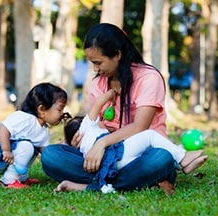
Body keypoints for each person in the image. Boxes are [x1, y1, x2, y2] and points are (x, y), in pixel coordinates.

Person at [41, 23, 204, 193]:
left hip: (140, 156)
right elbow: (96, 124)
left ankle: (93, 185)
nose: (95, 69)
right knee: (51, 155)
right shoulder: (98, 84)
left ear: (117, 55)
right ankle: (127, 182)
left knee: (160, 158)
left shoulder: (148, 78)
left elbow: (140, 127)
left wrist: (102, 143)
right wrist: (73, 140)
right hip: (105, 158)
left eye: (99, 63)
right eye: (92, 63)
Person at [59, 89, 207, 192]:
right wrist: (111, 93)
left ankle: (175, 161)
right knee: (149, 136)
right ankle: (182, 159)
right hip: (116, 154)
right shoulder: (86, 126)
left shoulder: (81, 147)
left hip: (114, 166)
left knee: (148, 153)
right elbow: (97, 104)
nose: (102, 120)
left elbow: (65, 145)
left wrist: (67, 142)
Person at [0, 82, 68, 189]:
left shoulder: (43, 131)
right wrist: (6, 150)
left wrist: (62, 147)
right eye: (60, 109)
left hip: (9, 152)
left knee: (33, 148)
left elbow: (46, 152)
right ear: (42, 110)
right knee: (26, 146)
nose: (62, 114)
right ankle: (8, 180)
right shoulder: (25, 118)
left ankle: (21, 178)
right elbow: (4, 128)